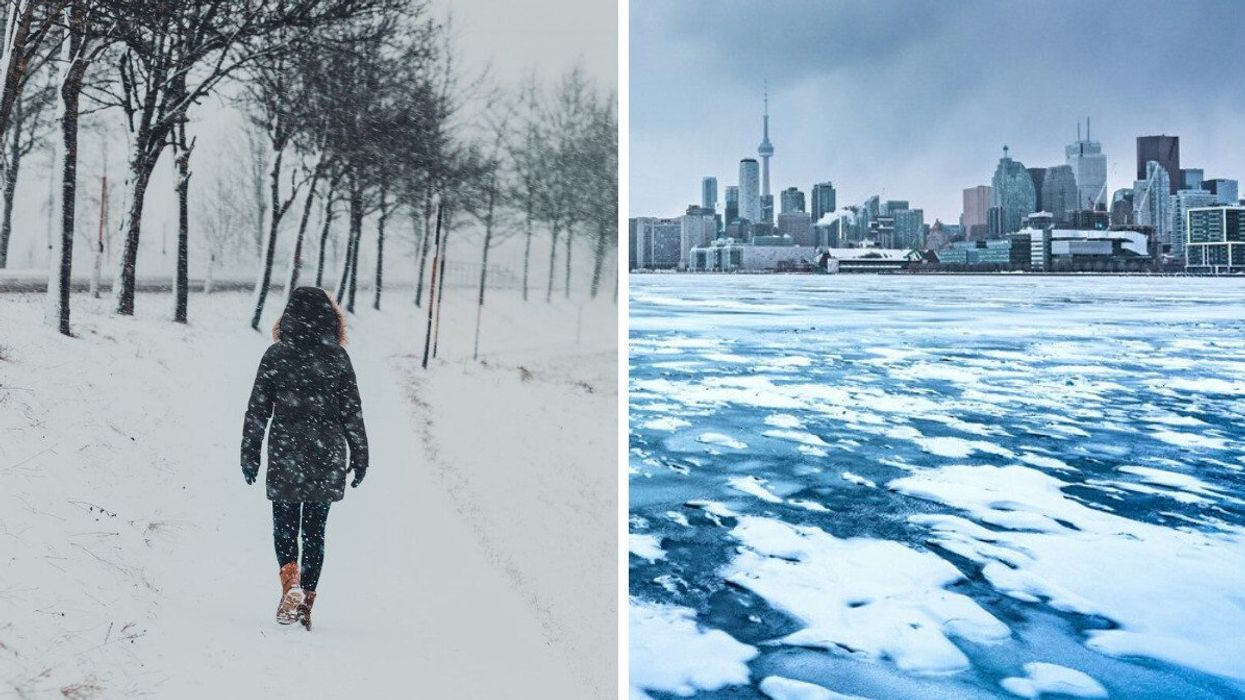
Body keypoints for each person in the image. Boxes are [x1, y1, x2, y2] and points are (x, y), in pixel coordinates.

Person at [241, 286, 368, 631]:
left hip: (286, 450)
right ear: (330, 317)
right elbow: (351, 411)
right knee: (315, 531)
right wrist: (360, 453)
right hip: (326, 452)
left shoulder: (276, 355)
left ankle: (290, 581)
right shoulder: (338, 357)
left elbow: (257, 410)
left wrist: (250, 452)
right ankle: (306, 604)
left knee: (285, 525)